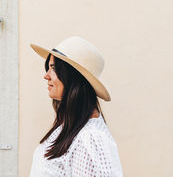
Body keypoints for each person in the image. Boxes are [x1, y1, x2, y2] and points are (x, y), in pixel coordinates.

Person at [29, 36, 123, 177]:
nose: (46, 76)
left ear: (73, 77)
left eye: (53, 68)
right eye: (48, 68)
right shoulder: (69, 127)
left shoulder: (90, 139)